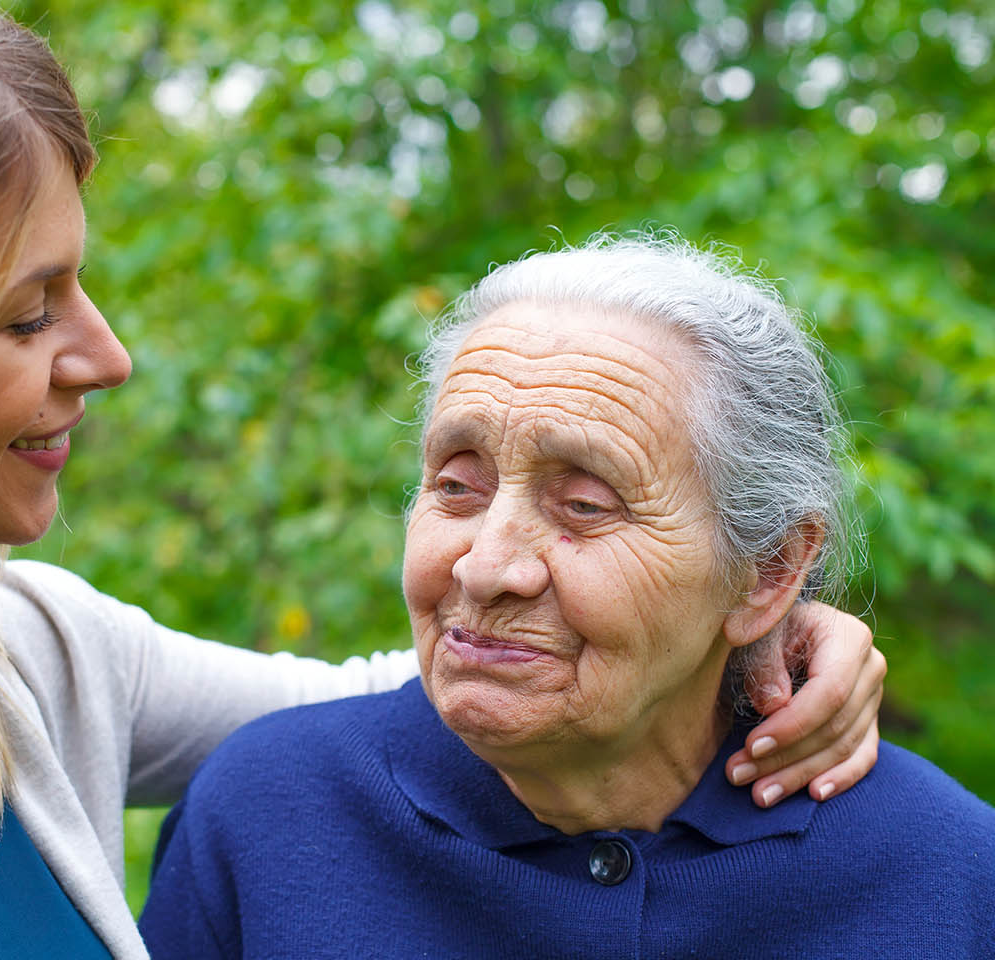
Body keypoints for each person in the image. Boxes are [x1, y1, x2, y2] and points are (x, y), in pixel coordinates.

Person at [0, 2, 883, 957]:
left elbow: (451, 682)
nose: (107, 354)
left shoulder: (23, 653)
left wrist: (758, 606)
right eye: (28, 316)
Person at [138, 235, 995, 959]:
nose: (485, 566)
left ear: (767, 570)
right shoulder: (265, 816)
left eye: (584, 505)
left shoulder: (948, 877)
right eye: (457, 486)